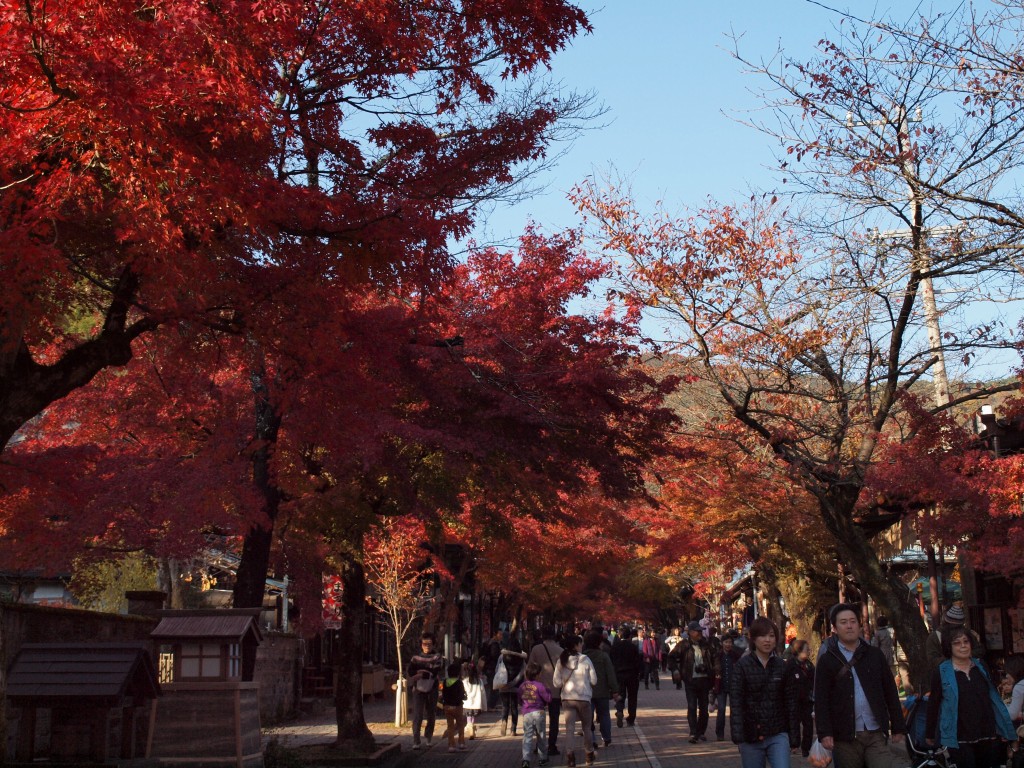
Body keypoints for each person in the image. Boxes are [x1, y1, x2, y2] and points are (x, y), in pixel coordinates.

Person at [815, 603, 906, 768]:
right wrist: (825, 732)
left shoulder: (874, 655)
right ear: (834, 628)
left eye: (853, 621)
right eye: (843, 622)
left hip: (875, 731)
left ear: (859, 624)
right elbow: (821, 699)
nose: (849, 626)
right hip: (844, 735)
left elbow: (890, 691)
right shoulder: (828, 660)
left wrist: (898, 725)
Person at [925, 625, 1017, 768]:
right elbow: (934, 703)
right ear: (949, 647)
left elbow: (993, 698)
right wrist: (930, 733)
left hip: (987, 731)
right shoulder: (942, 671)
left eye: (966, 642)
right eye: (957, 643)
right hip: (959, 735)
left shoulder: (981, 666)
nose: (963, 646)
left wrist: (1002, 727)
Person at [730, 616, 798, 768]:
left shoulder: (782, 666)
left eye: (771, 636)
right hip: (751, 735)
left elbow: (791, 703)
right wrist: (738, 735)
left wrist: (794, 737)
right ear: (753, 639)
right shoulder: (742, 666)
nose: (767, 640)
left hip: (778, 733)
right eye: (762, 636)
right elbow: (736, 702)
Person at [553, 635, 598, 768]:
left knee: (570, 729)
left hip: (567, 699)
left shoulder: (561, 660)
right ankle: (589, 755)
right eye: (580, 643)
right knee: (587, 728)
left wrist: (565, 683)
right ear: (576, 645)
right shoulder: (586, 660)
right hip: (584, 698)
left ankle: (570, 758)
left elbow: (556, 683)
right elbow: (594, 680)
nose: (582, 645)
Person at [527, 625, 564, 756]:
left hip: (539, 689)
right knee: (554, 719)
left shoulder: (536, 649)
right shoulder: (561, 650)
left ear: (542, 635)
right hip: (555, 690)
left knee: (538, 719)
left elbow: (530, 668)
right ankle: (552, 745)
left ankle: (540, 745)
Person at [681, 619, 716, 743]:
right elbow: (672, 658)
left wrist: (713, 670)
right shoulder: (684, 645)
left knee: (703, 708)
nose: (700, 633)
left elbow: (714, 656)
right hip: (691, 680)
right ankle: (693, 732)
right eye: (697, 631)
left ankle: (701, 731)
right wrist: (677, 672)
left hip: (704, 680)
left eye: (700, 631)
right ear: (690, 632)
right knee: (691, 706)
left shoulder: (706, 644)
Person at [408, 632, 445, 749]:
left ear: (433, 644)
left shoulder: (437, 657)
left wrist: (421, 672)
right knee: (418, 715)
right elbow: (410, 671)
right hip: (418, 688)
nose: (427, 646)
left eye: (429, 643)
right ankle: (416, 740)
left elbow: (435, 670)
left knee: (431, 714)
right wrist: (421, 672)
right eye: (424, 643)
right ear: (421, 645)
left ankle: (428, 736)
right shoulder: (415, 657)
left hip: (432, 687)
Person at [583, 629, 619, 748]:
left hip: (586, 692)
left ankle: (592, 739)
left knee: (588, 717)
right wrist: (615, 690)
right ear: (598, 643)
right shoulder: (603, 656)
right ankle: (606, 737)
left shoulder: (583, 657)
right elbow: (610, 673)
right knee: (604, 715)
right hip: (602, 691)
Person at [783, 638, 815, 757]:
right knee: (794, 724)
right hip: (794, 700)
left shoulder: (809, 665)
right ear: (799, 651)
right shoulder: (790, 665)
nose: (809, 652)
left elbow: (814, 681)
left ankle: (806, 748)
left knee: (808, 726)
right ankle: (794, 745)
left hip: (807, 700)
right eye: (807, 649)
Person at [519, 662, 552, 768]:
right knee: (541, 736)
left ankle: (526, 759)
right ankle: (542, 759)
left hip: (527, 714)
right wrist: (549, 691)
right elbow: (548, 699)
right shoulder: (540, 686)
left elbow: (519, 699)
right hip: (539, 713)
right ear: (537, 674)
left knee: (527, 737)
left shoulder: (522, 686)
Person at [610, 625, 642, 728]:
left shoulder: (615, 647)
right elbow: (638, 661)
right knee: (632, 697)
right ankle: (631, 718)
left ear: (620, 635)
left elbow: (612, 661)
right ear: (630, 636)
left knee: (620, 694)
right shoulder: (633, 647)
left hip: (619, 674)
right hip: (632, 674)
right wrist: (639, 673)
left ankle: (619, 710)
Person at [715, 632, 741, 741]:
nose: (728, 644)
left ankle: (735, 733)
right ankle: (719, 733)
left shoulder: (736, 655)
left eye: (730, 642)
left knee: (734, 710)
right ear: (722, 643)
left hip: (733, 686)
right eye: (726, 642)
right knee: (721, 709)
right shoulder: (718, 655)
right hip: (721, 686)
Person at [500, 638, 529, 736]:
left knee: (505, 706)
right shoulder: (521, 659)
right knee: (514, 707)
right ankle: (513, 729)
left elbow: (497, 669)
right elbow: (524, 672)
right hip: (516, 686)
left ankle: (504, 722)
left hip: (503, 685)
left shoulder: (502, 657)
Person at [440, 661, 468, 753]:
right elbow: (462, 695)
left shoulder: (445, 682)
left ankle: (451, 745)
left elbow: (443, 694)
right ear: (458, 673)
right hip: (458, 706)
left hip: (447, 707)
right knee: (460, 725)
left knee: (450, 726)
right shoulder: (459, 683)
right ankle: (461, 743)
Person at [462, 660, 485, 739]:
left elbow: (463, 692)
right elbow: (482, 692)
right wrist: (484, 704)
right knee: (472, 716)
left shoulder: (465, 681)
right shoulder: (479, 681)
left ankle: (470, 727)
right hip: (476, 704)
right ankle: (472, 727)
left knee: (468, 716)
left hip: (467, 704)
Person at [483, 628, 504, 710]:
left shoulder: (489, 642)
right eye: (500, 634)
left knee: (493, 686)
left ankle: (491, 705)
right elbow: (494, 655)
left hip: (489, 667)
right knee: (494, 687)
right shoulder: (494, 644)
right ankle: (491, 705)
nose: (501, 636)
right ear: (495, 634)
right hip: (492, 667)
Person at [871, 616, 896, 681]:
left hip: (882, 652)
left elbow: (875, 645)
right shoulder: (890, 630)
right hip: (891, 651)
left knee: (883, 669)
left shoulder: (878, 633)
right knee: (892, 669)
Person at [1003, 655, 1024, 724]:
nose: (1006, 676)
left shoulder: (1019, 687)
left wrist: (1000, 705)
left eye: (1007, 672)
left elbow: (1012, 715)